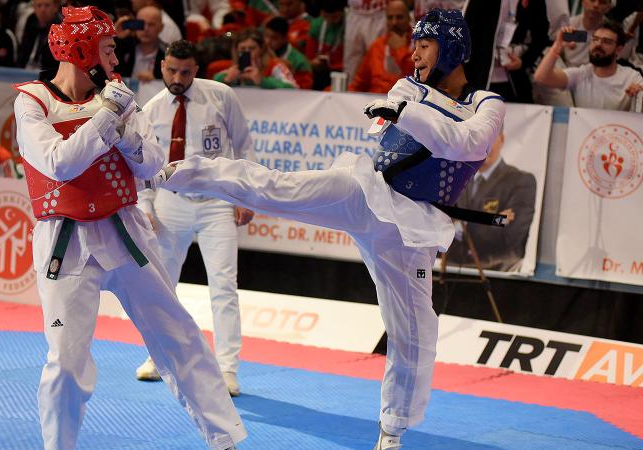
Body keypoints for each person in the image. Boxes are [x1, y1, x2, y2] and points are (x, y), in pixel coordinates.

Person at [148, 9, 505, 449]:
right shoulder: (408, 86)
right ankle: (179, 172)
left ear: (451, 48)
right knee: (278, 187)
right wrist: (403, 109)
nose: (412, 52)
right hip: (364, 191)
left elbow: (466, 143)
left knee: (414, 331)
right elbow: (405, 126)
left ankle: (392, 430)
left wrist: (405, 113)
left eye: (424, 44)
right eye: (414, 43)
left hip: (409, 227)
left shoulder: (486, 104)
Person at [13, 6, 246, 450]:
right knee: (65, 361)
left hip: (124, 230)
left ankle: (224, 439)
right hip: (66, 241)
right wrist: (105, 120)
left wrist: (127, 136)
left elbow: (153, 163)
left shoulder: (119, 92)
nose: (115, 60)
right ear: (82, 51)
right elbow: (59, 163)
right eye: (106, 49)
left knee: (178, 334)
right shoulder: (33, 102)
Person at [134, 40, 256, 396]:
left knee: (223, 285)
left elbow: (244, 146)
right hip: (171, 202)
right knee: (161, 284)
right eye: (172, 70)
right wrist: (145, 205)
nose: (178, 77)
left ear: (196, 70)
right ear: (162, 67)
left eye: (186, 72)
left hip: (218, 199)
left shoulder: (221, 96)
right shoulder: (152, 109)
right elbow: (140, 163)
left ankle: (227, 369)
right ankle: (157, 358)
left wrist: (246, 194)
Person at [446, 131, 537, 271]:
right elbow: (436, 224)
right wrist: (491, 220)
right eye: (480, 140)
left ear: (501, 139)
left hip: (496, 270)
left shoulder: (521, 181)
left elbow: (511, 238)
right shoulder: (457, 178)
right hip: (450, 267)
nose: (485, 146)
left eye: (491, 139)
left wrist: (458, 224)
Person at [534, 21, 643, 110]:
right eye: (595, 39)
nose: (598, 44)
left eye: (606, 41)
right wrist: (557, 46)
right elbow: (541, 78)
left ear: (618, 49)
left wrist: (639, 92)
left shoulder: (631, 77)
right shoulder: (581, 74)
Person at [348, 0, 413, 94]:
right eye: (390, 18)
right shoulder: (377, 46)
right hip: (374, 101)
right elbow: (359, 84)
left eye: (399, 17)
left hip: (406, 103)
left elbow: (419, 80)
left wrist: (400, 50)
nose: (394, 22)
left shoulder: (419, 45)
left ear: (409, 19)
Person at [214, 28, 299, 89]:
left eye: (252, 48)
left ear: (261, 49)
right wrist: (225, 79)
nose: (247, 52)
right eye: (242, 48)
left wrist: (262, 81)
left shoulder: (274, 66)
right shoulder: (234, 67)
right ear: (236, 50)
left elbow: (293, 87)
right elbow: (214, 82)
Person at [114, 5, 167, 82]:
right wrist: (116, 36)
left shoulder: (167, 54)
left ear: (161, 27)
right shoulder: (123, 48)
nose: (145, 29)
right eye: (141, 24)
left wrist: (157, 79)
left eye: (151, 24)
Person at [264, 16, 314, 89]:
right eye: (266, 36)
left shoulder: (299, 61)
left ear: (285, 38)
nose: (268, 41)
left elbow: (303, 90)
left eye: (274, 38)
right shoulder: (260, 54)